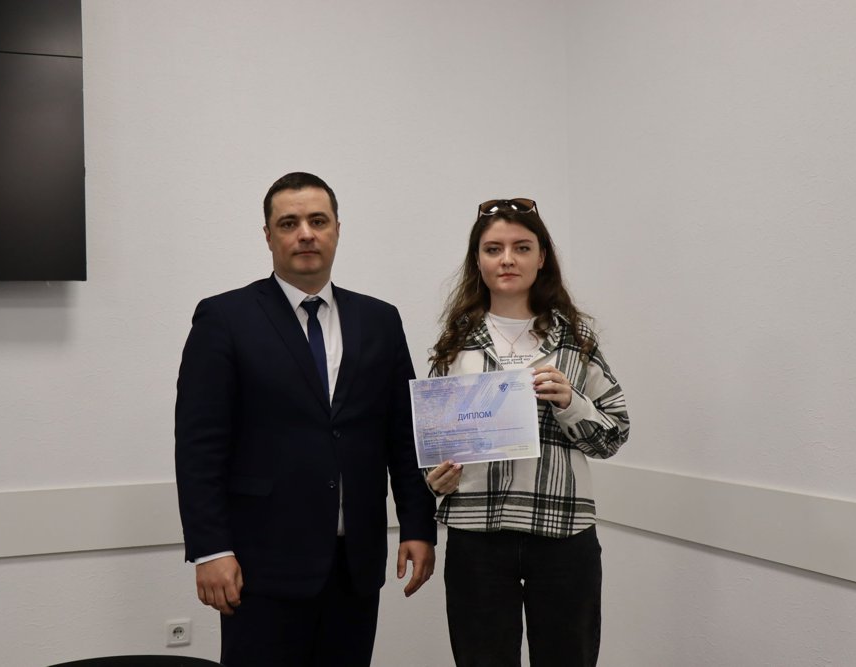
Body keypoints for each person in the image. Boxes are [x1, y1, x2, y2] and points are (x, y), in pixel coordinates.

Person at [174, 172, 437, 667]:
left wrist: (418, 526)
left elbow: (405, 436)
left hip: (355, 566)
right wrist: (210, 550)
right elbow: (199, 446)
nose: (305, 234)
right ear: (268, 235)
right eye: (289, 223)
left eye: (318, 221)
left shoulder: (380, 320)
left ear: (337, 229)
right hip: (260, 566)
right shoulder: (224, 318)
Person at [425, 198, 630, 667]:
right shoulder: (454, 345)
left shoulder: (576, 344)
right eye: (493, 249)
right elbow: (433, 445)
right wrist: (434, 478)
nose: (507, 259)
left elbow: (614, 435)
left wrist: (571, 402)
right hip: (476, 535)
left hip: (563, 533)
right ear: (477, 260)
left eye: (521, 247)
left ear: (542, 258)